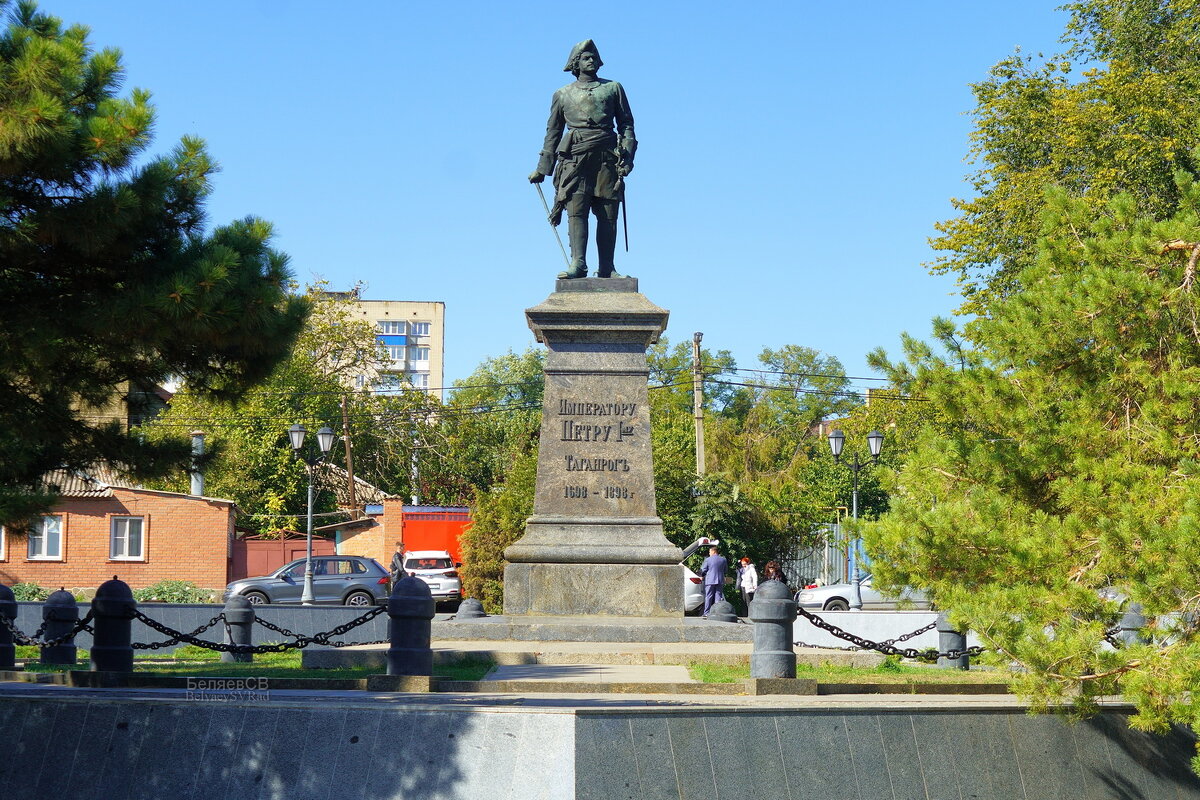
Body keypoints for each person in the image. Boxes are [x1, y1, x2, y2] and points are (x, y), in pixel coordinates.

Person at [529, 39, 636, 280]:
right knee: (577, 211)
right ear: (575, 63)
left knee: (608, 212)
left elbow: (627, 125)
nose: (591, 60)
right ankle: (578, 263)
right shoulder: (562, 94)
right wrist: (542, 170)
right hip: (574, 159)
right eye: (586, 57)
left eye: (594, 57)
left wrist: (627, 158)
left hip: (607, 158)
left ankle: (607, 266)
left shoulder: (613, 88)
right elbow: (553, 132)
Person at [698, 546, 728, 617]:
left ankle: (706, 613)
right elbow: (725, 570)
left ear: (713, 551)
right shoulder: (723, 559)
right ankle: (717, 613)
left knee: (708, 596)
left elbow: (703, 570)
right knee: (718, 596)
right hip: (720, 580)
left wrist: (700, 576)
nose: (709, 553)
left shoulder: (708, 560)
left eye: (709, 552)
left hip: (710, 580)